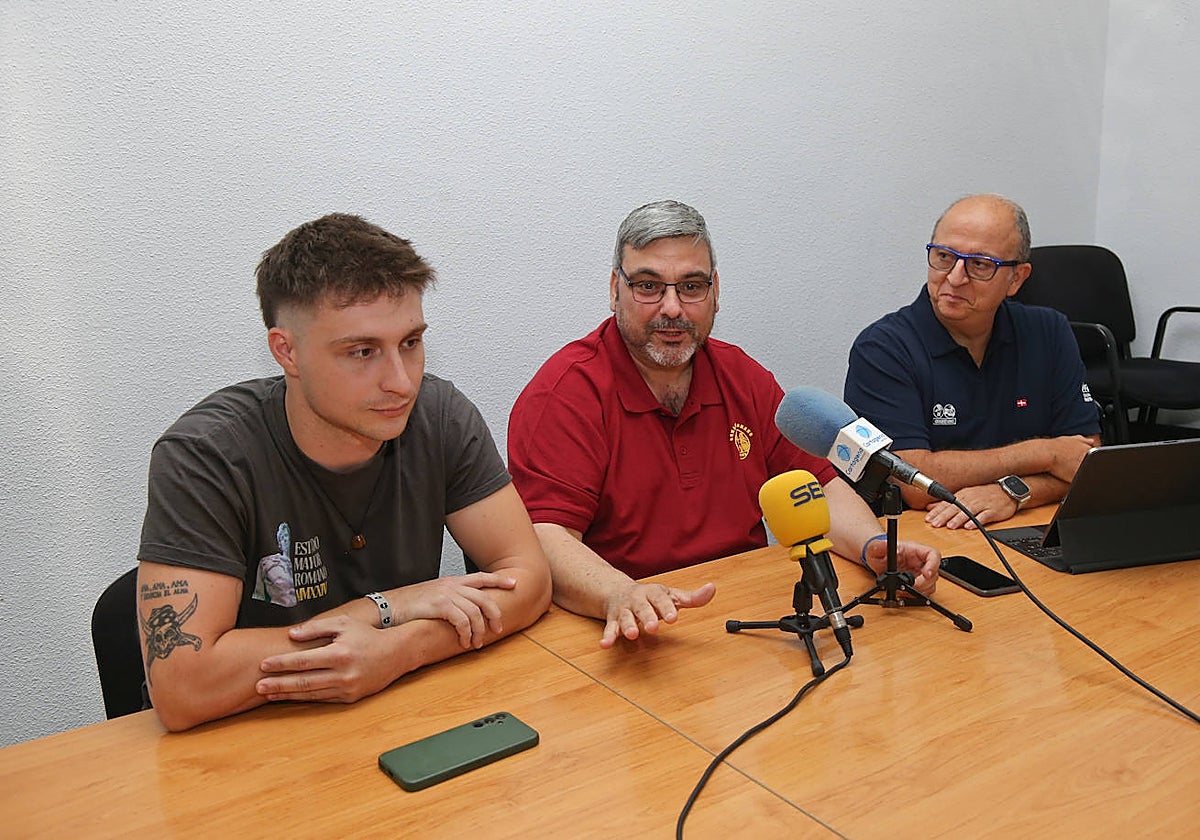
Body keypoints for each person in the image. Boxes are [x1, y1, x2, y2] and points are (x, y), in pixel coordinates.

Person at [137, 213, 551, 731]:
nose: (401, 382)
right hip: (260, 744)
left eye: (411, 343)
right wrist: (391, 606)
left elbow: (530, 582)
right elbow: (183, 686)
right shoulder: (205, 456)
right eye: (362, 352)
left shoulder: (439, 415)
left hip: (407, 719)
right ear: (286, 351)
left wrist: (398, 649)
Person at [507, 200, 939, 648]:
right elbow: (545, 537)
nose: (672, 308)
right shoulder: (566, 393)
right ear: (615, 289)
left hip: (746, 620)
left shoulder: (743, 377)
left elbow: (818, 486)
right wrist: (619, 592)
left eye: (691, 286)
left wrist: (875, 549)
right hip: (625, 630)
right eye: (649, 286)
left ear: (715, 291)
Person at [843, 194, 1102, 530]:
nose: (954, 277)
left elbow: (1086, 461)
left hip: (1022, 522)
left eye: (979, 264)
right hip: (922, 533)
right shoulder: (882, 347)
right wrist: (1046, 454)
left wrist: (1013, 493)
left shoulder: (1049, 330)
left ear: (1017, 279)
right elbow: (915, 484)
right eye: (944, 256)